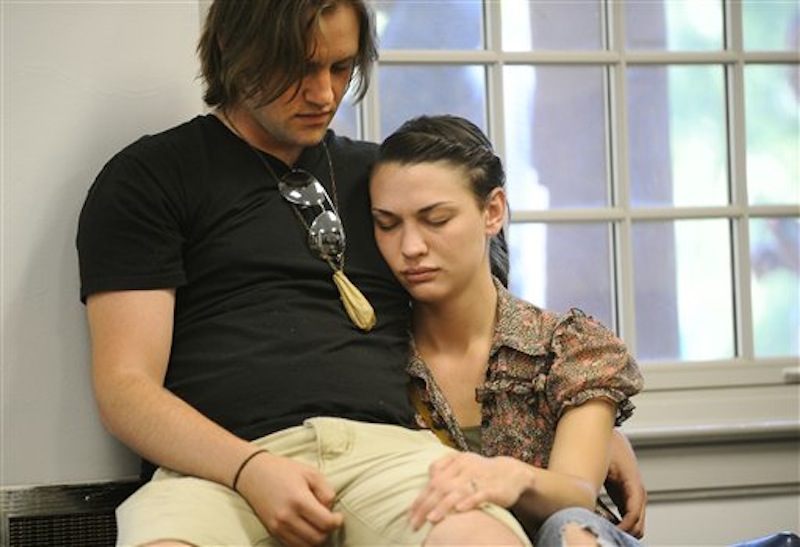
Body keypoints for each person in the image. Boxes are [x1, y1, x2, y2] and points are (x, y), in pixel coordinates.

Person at [76, 1, 645, 545]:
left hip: (385, 454)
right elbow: (126, 389)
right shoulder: (149, 178)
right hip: (213, 469)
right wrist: (249, 467)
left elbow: (477, 304)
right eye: (297, 67)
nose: (324, 93)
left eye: (341, 67)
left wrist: (584, 422)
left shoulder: (381, 182)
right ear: (233, 47)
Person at [368, 114, 645, 545]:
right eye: (387, 224)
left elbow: (578, 492)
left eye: (436, 219)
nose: (410, 247)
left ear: (492, 211)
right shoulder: (366, 356)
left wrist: (511, 477)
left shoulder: (568, 348)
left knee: (567, 526)